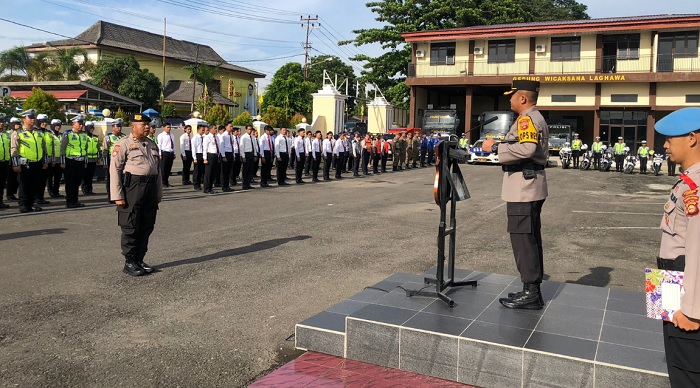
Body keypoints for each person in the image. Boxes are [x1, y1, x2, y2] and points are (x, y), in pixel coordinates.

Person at [481, 79, 548, 310]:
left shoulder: (527, 119)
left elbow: (527, 149)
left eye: (512, 96)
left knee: (523, 240)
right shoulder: (530, 118)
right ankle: (532, 289)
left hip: (523, 186)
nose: (509, 99)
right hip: (528, 184)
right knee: (529, 238)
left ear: (522, 98)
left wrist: (495, 148)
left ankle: (531, 292)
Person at [653, 107, 700, 387]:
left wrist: (693, 310)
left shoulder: (696, 186)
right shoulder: (687, 180)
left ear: (693, 138)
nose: (665, 145)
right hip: (676, 282)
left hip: (688, 292)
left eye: (670, 138)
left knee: (687, 371)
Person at [109, 113, 162, 277]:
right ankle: (130, 261)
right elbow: (115, 170)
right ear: (133, 126)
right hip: (132, 188)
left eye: (148, 124)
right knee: (131, 226)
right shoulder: (123, 144)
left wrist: (158, 192)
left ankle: (139, 259)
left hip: (150, 188)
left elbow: (158, 171)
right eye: (143, 124)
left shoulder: (152, 145)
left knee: (146, 224)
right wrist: (117, 195)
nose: (147, 127)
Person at [11, 109, 48, 213]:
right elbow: (14, 149)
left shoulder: (39, 133)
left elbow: (44, 149)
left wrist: (45, 161)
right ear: (24, 119)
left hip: (37, 163)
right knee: (24, 185)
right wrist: (15, 164)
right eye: (30, 118)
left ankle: (31, 204)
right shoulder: (18, 132)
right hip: (24, 164)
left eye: (33, 118)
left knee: (34, 185)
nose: (33, 120)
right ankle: (23, 205)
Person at [61, 115, 88, 208]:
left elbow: (85, 148)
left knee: (77, 182)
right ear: (73, 124)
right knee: (70, 182)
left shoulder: (84, 134)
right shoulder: (67, 133)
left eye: (82, 124)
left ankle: (75, 200)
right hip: (70, 161)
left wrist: (85, 162)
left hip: (80, 161)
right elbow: (62, 148)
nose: (81, 126)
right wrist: (63, 162)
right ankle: (70, 201)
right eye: (79, 124)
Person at [103, 119, 126, 201]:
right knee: (111, 179)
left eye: (120, 126)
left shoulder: (123, 136)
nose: (119, 128)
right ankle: (111, 197)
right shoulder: (108, 137)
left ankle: (121, 195)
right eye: (117, 126)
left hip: (122, 160)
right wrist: (105, 163)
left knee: (122, 178)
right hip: (111, 160)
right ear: (113, 127)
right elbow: (105, 150)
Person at [34, 114, 51, 205]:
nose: (44, 124)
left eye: (45, 122)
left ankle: (40, 197)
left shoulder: (48, 133)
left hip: (45, 159)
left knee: (43, 181)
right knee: (36, 181)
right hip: (36, 159)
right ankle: (35, 198)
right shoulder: (35, 132)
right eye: (42, 122)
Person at [202, 124, 223, 194]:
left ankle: (210, 188)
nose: (216, 130)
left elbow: (219, 147)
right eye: (214, 128)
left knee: (214, 173)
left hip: (216, 155)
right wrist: (205, 158)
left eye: (216, 128)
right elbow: (205, 148)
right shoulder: (207, 137)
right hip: (210, 155)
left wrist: (219, 155)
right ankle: (206, 188)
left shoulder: (216, 137)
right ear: (210, 129)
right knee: (208, 173)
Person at [82, 121, 100, 195]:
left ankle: (90, 189)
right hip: (86, 159)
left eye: (92, 128)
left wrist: (98, 158)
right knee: (85, 176)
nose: (92, 129)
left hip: (94, 159)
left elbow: (98, 148)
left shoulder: (95, 137)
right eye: (90, 128)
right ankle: (85, 189)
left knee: (91, 175)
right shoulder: (84, 136)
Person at [157, 123, 176, 187]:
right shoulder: (161, 135)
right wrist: (160, 154)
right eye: (168, 127)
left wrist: (174, 153)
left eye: (170, 127)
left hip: (170, 153)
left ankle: (166, 181)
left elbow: (174, 145)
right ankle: (163, 182)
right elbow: (159, 145)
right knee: (163, 168)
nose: (169, 129)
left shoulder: (172, 135)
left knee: (169, 168)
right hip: (164, 153)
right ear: (164, 127)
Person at [6, 117, 21, 201]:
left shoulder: (20, 133)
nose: (17, 125)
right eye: (15, 123)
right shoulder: (8, 133)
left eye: (18, 123)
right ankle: (9, 194)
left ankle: (13, 193)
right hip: (10, 158)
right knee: (11, 178)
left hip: (17, 157)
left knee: (16, 178)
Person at [240, 124, 259, 190]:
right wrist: (243, 156)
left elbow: (254, 146)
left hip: (251, 154)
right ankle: (244, 184)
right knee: (245, 170)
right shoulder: (243, 137)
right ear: (246, 130)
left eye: (251, 129)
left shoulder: (252, 137)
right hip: (246, 154)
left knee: (250, 170)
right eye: (249, 129)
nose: (250, 130)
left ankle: (248, 184)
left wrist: (255, 154)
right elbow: (242, 147)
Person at [219, 123, 234, 192]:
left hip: (230, 153)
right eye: (230, 126)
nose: (231, 127)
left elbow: (232, 145)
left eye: (232, 126)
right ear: (226, 127)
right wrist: (223, 156)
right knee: (224, 171)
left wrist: (233, 155)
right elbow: (222, 146)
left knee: (229, 171)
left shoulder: (231, 135)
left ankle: (227, 186)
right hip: (225, 153)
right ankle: (224, 186)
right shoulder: (223, 136)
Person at [191, 124, 206, 191]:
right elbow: (193, 148)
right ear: (198, 130)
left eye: (203, 130)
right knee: (197, 171)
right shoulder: (195, 138)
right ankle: (196, 184)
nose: (203, 131)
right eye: (202, 130)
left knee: (201, 171)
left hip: (202, 154)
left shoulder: (203, 137)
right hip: (197, 154)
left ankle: (199, 183)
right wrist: (194, 158)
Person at [0, 118, 11, 209]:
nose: (1, 123)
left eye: (2, 122)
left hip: (5, 162)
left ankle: (0, 201)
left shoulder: (6, 135)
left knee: (2, 183)